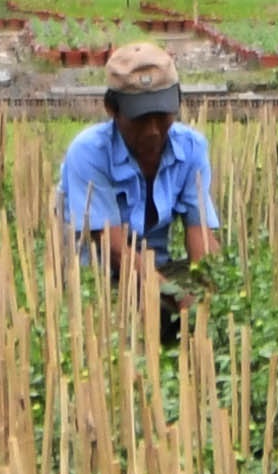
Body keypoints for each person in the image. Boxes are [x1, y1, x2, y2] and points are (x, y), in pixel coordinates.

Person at [56, 47, 213, 307]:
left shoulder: (192, 147)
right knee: (159, 316)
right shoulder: (88, 152)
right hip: (100, 277)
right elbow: (114, 249)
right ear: (112, 109)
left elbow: (200, 232)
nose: (152, 131)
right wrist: (180, 301)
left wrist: (211, 291)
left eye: (162, 117)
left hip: (161, 269)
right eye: (140, 119)